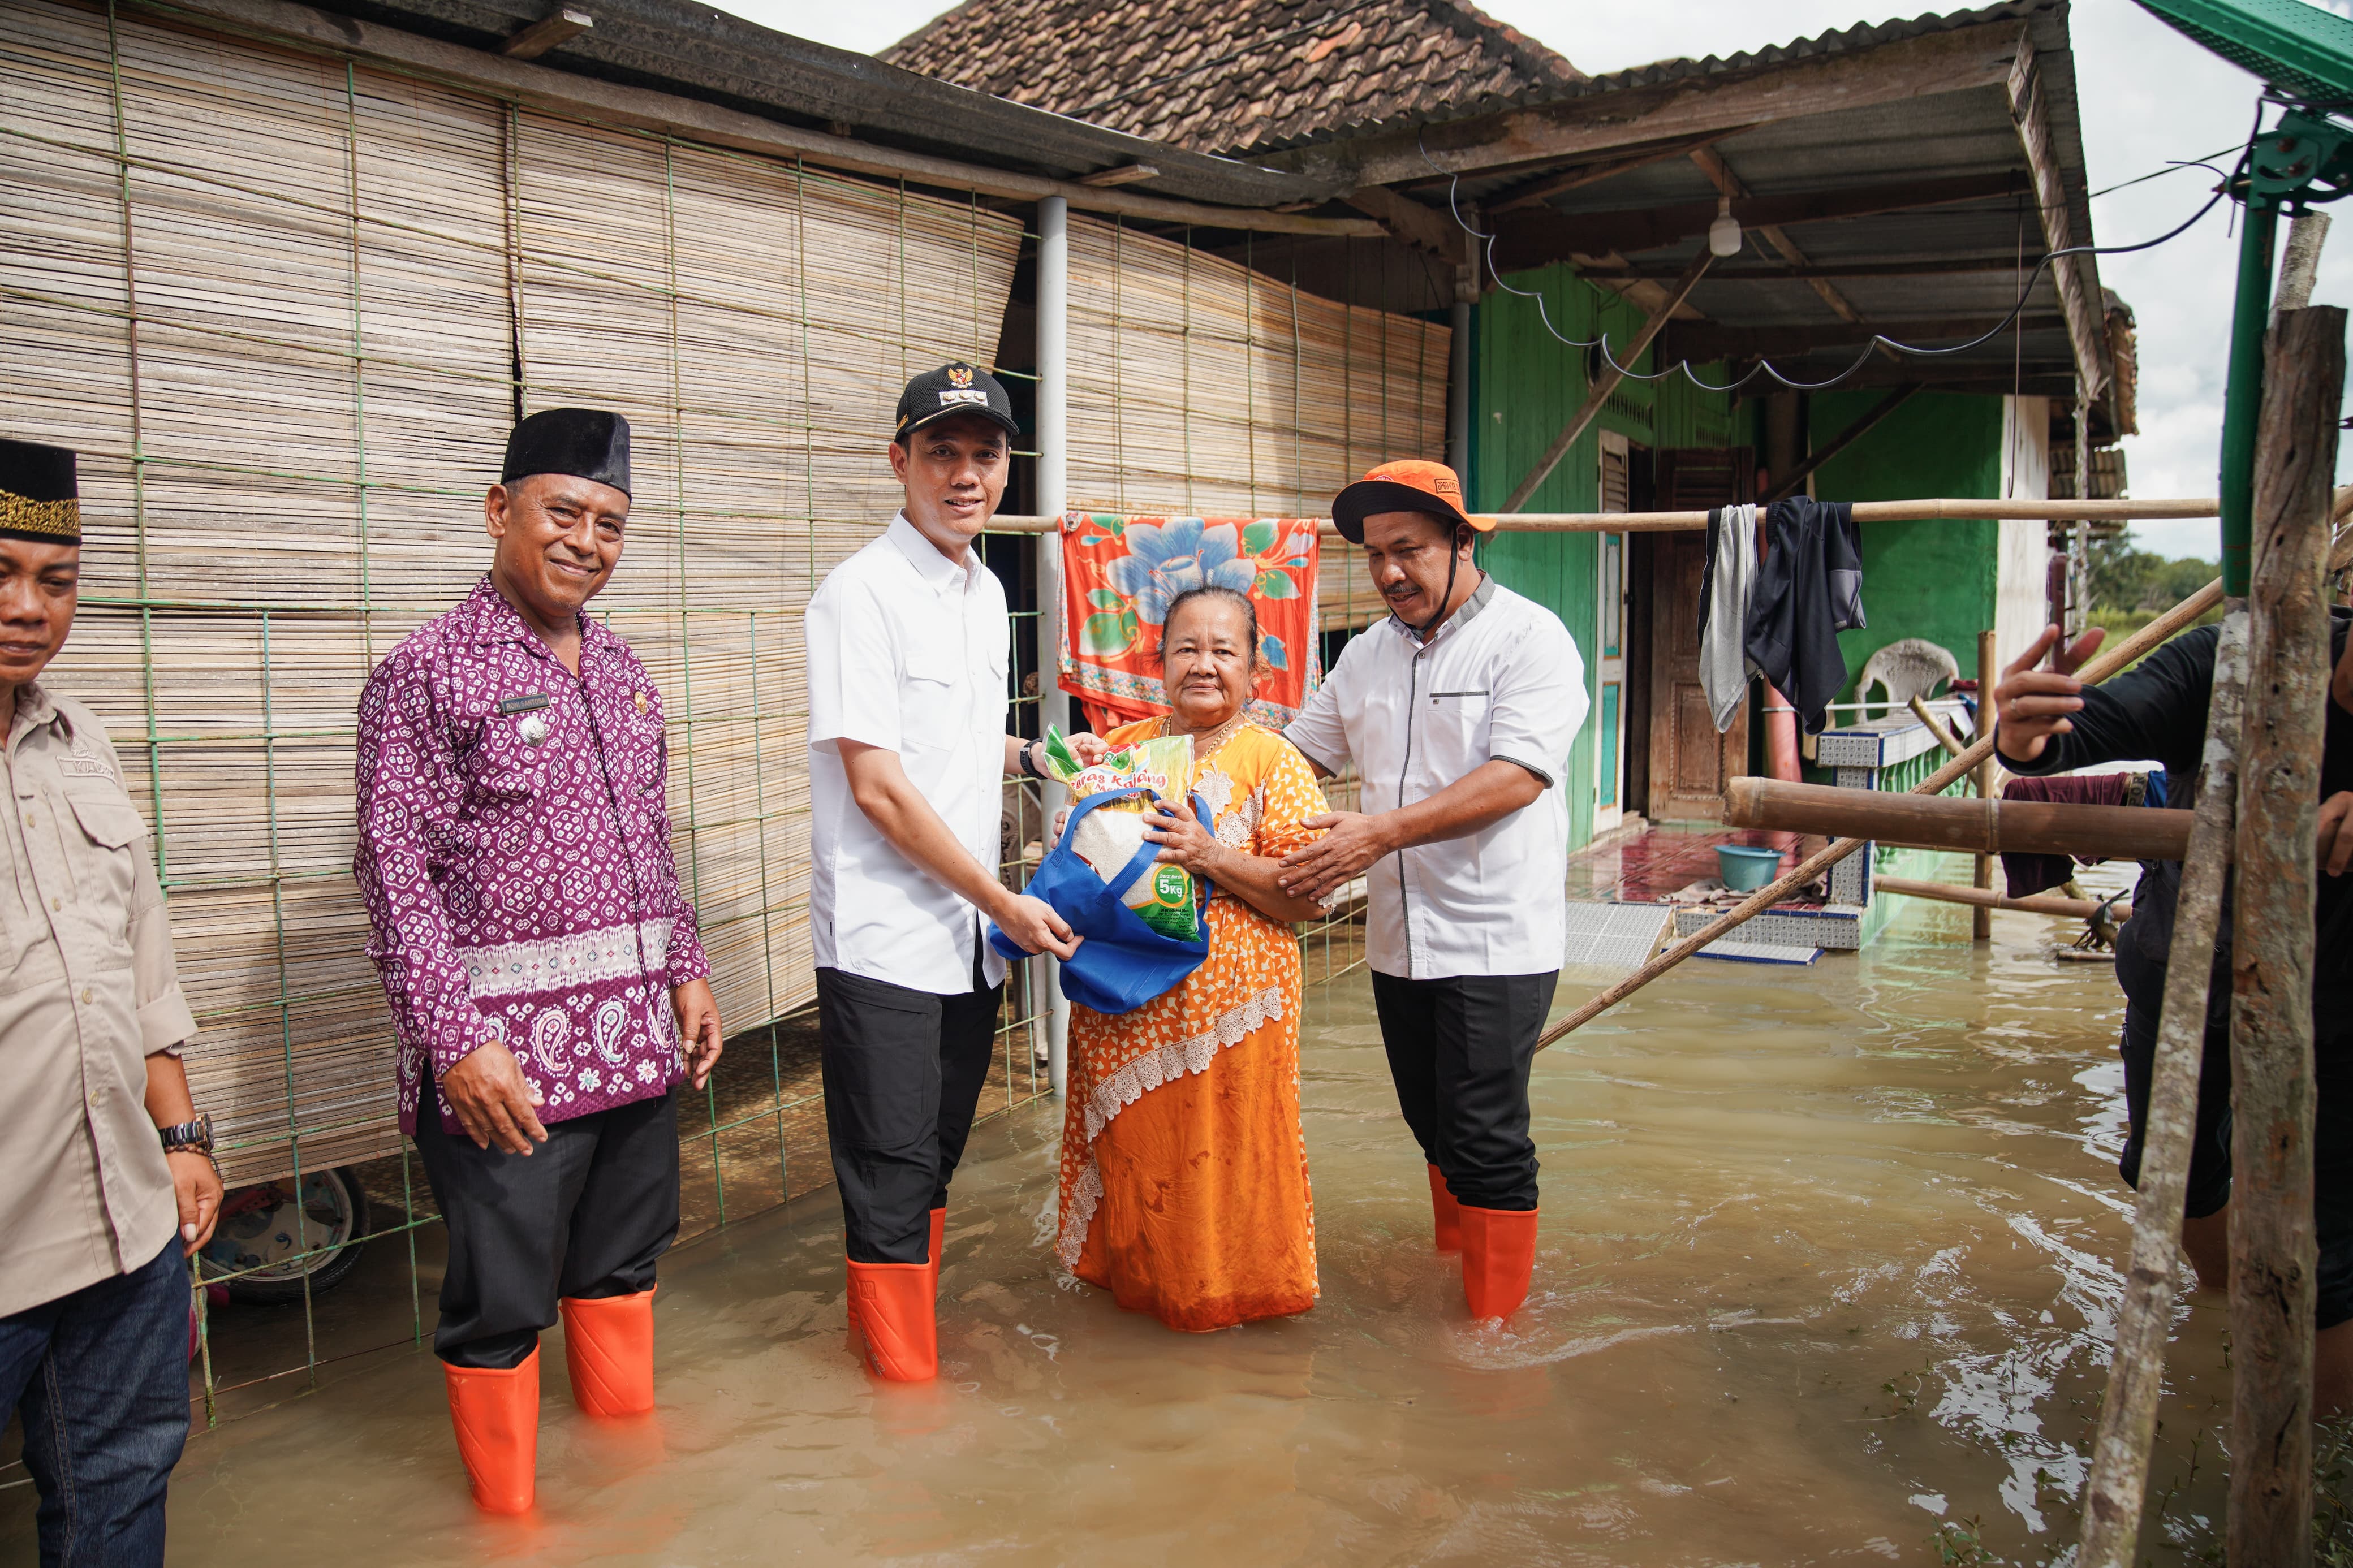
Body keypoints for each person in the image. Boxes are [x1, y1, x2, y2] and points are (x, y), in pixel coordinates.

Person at [353, 408, 723, 1515]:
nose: (586, 540)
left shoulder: (623, 671)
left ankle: (625, 1486)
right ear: (499, 511)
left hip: (633, 1047)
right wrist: (453, 1041)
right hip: (503, 1071)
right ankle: (511, 1527)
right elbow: (391, 870)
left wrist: (687, 967)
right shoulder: (426, 670)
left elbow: (649, 839)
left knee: (620, 1264)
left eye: (610, 523)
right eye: (564, 512)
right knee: (501, 1301)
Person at [803, 363, 1100, 1381]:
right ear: (900, 462)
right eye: (942, 452)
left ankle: (895, 1353)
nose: (965, 474)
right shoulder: (860, 594)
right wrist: (1006, 902)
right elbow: (880, 788)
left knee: (931, 1164)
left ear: (1007, 468)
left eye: (985, 454)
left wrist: (1051, 758)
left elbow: (964, 741)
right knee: (889, 1180)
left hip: (969, 942)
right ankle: (904, 1406)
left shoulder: (981, 592)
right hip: (888, 942)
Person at [1994, 612, 2353, 1416]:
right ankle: (2225, 1303)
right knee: (2172, 1174)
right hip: (2190, 964)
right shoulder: (2244, 656)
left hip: (2339, 1001)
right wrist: (2025, 741)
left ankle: (2316, 1485)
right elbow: (2093, 727)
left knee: (2332, 1251)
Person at [1279, 460, 1587, 1325]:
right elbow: (1300, 757)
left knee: (1487, 1136)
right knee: (1431, 1125)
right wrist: (1191, 778)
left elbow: (1518, 776)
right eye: (1376, 556)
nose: (1389, 574)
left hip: (1496, 935)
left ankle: (1492, 1336)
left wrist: (1377, 833)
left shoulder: (1530, 639)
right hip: (1397, 939)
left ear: (1462, 540)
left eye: (1407, 550)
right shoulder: (1367, 656)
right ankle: (1458, 1278)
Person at [0, 438, 218, 1567]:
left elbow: (137, 953)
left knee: (121, 1495)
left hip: (124, 1227)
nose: (26, 606)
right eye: (0, 570)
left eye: (55, 579)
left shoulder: (77, 737)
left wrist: (179, 1132)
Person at [1050, 585, 1330, 1331]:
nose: (1203, 665)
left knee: (1227, 1160)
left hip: (1234, 1023)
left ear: (1257, 671)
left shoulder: (1275, 759)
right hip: (1126, 1012)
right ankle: (1145, 1303)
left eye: (1223, 650)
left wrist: (1210, 854)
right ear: (1159, 661)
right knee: (1143, 1158)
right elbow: (1083, 874)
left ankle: (1226, 1303)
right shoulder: (1125, 755)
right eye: (1186, 648)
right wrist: (1076, 828)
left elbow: (1307, 898)